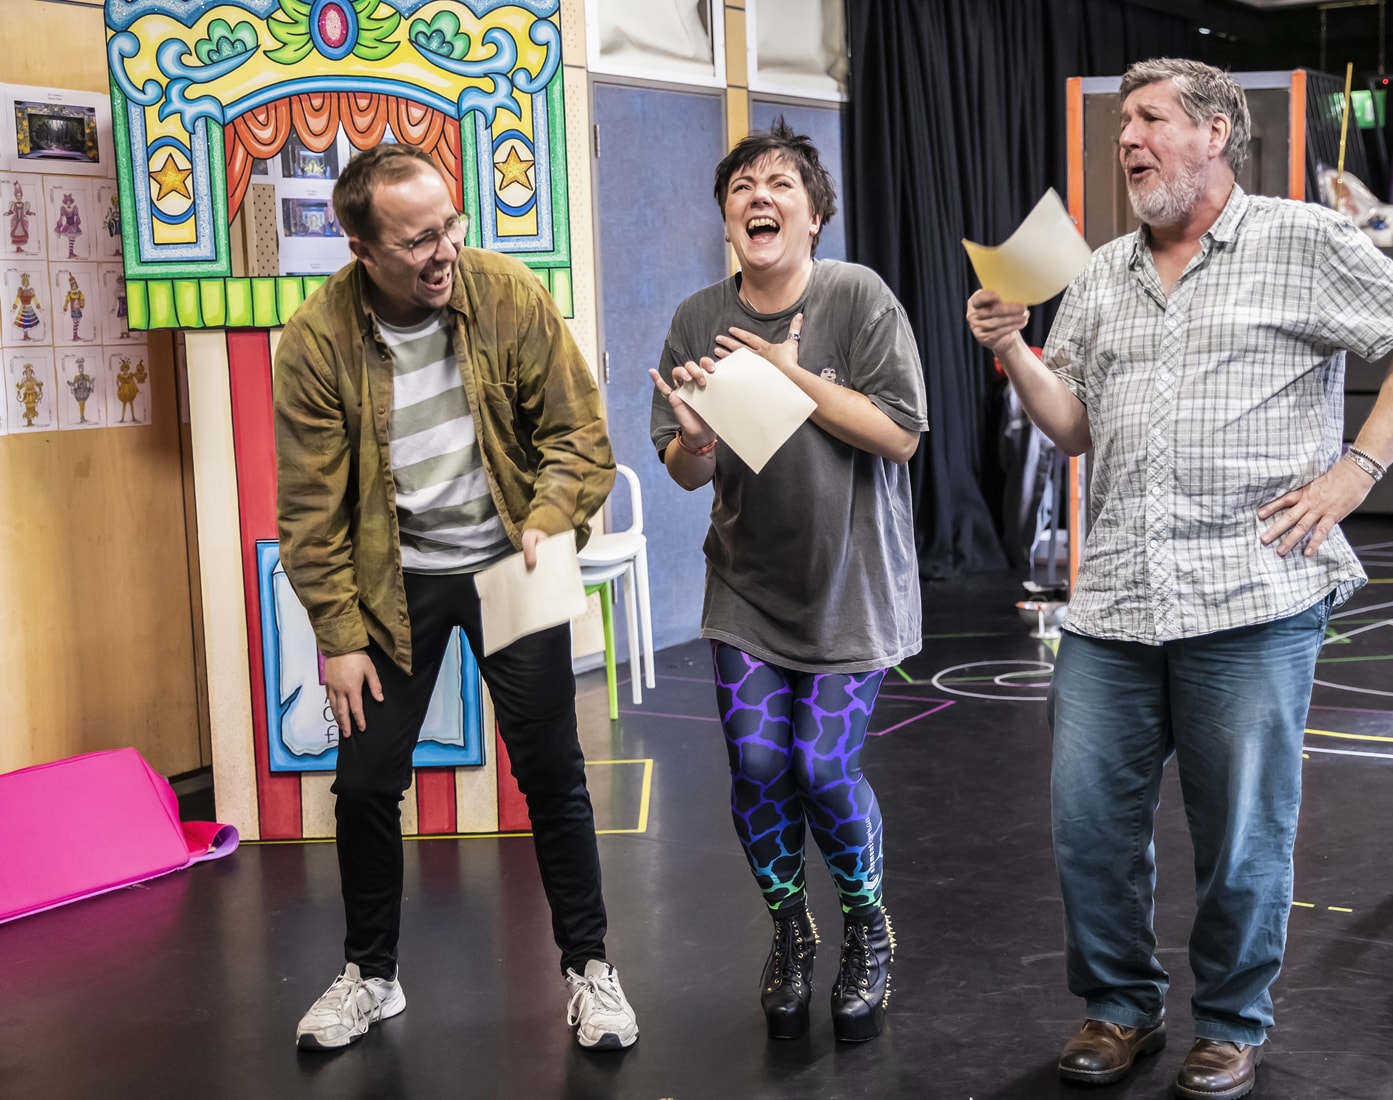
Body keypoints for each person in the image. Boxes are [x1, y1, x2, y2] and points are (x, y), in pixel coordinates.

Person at [967, 58, 1393, 1100]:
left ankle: (1231, 1024)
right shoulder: (1101, 273)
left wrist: (1355, 472)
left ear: (1214, 134)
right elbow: (1075, 425)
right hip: (1114, 598)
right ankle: (1119, 1007)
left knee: (1241, 835)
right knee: (1088, 825)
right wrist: (1015, 352)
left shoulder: (1302, 239)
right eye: (1122, 124)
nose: (1127, 138)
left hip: (1252, 595)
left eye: (1150, 119)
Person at [274, 143, 637, 1054]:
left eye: (451, 226)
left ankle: (590, 969)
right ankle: (371, 976)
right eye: (418, 240)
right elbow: (311, 507)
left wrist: (549, 518)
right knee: (364, 782)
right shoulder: (316, 340)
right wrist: (338, 636)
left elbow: (580, 435)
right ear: (362, 250)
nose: (445, 252)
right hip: (394, 581)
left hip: (515, 561)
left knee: (551, 774)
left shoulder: (508, 293)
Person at [648, 120, 926, 1043]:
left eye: (780, 186)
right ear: (727, 217)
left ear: (813, 217)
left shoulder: (858, 297)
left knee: (822, 767)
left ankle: (867, 926)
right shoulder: (697, 317)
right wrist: (696, 439)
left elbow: (899, 436)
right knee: (760, 767)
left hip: (854, 583)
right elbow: (685, 468)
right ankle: (790, 931)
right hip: (747, 588)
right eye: (742, 187)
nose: (758, 197)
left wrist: (790, 375)